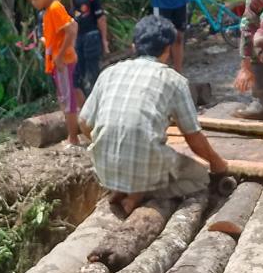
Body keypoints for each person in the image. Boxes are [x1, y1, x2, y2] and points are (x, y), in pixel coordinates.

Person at [80, 15, 228, 216]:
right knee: (200, 177)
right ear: (167, 50)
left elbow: (84, 122)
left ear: (134, 46)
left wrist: (108, 141)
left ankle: (122, 188)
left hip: (104, 169)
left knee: (140, 157)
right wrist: (217, 164)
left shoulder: (110, 72)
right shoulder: (174, 80)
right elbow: (193, 137)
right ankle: (141, 193)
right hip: (146, 169)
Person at [29, 0, 84, 148]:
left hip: (63, 62)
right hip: (59, 61)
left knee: (68, 101)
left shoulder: (54, 8)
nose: (33, 3)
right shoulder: (50, 10)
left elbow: (70, 29)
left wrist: (60, 56)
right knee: (69, 97)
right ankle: (78, 132)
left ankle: (73, 139)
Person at [70, 0, 109, 97]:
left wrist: (104, 40)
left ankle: (99, 97)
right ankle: (87, 100)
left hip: (91, 36)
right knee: (79, 70)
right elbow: (75, 20)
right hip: (79, 38)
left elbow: (101, 18)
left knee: (93, 69)